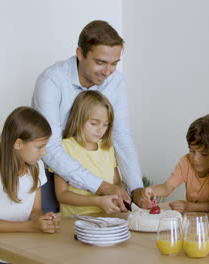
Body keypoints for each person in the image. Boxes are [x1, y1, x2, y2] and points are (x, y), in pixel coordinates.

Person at [32, 20, 149, 213]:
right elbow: (49, 147)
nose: (107, 71)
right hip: (48, 169)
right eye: (100, 62)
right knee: (48, 232)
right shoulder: (51, 81)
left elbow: (121, 135)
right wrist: (100, 186)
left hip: (93, 173)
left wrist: (136, 188)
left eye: (114, 63)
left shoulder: (116, 81)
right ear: (80, 54)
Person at [0, 107, 61, 264]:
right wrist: (32, 227)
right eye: (39, 147)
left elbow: (35, 210)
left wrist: (43, 219)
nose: (44, 152)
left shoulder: (37, 167)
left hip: (18, 252)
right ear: (18, 144)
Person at [53, 91, 125, 216]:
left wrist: (121, 195)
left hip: (108, 217)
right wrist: (97, 201)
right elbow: (62, 195)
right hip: (75, 222)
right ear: (79, 119)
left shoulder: (107, 148)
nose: (100, 130)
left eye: (105, 125)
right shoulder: (64, 148)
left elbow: (116, 183)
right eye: (94, 123)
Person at [142, 114, 209, 212]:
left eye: (204, 154)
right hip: (191, 218)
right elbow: (166, 188)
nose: (195, 159)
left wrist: (188, 206)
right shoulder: (186, 162)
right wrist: (151, 190)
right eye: (192, 151)